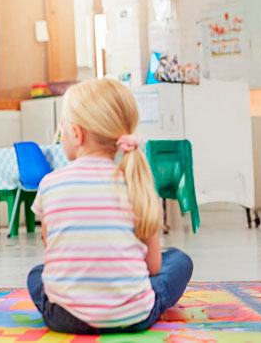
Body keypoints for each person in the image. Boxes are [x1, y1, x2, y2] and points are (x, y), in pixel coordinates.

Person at [28, 79, 193, 334]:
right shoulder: (136, 182)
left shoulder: (50, 183)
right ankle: (148, 303)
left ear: (76, 134)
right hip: (134, 316)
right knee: (179, 261)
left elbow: (53, 253)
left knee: (37, 275)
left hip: (63, 316)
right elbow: (153, 267)